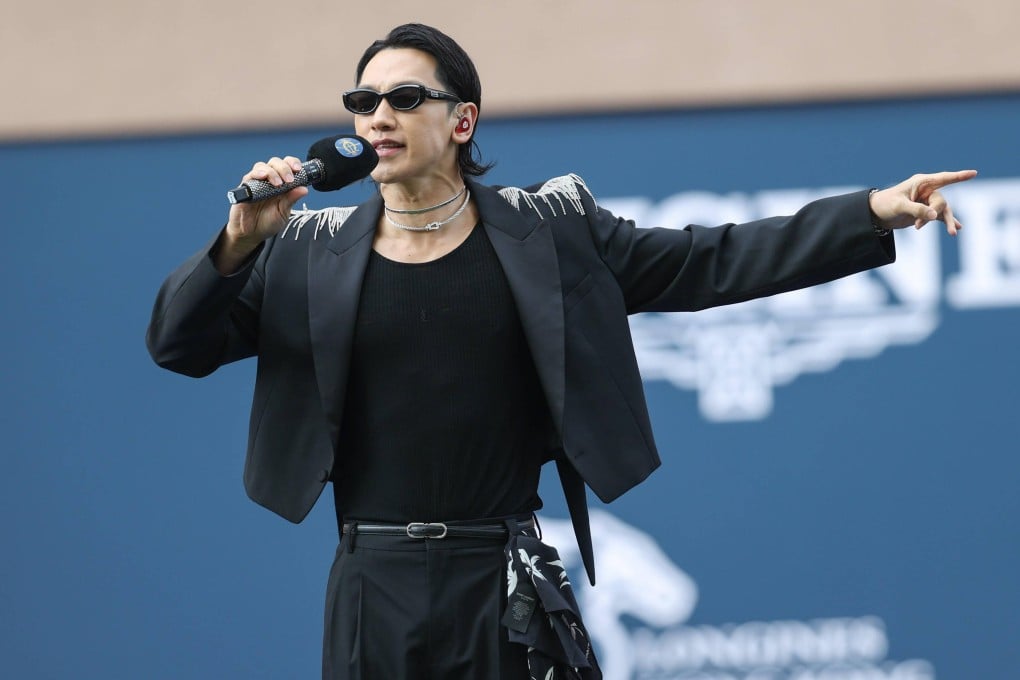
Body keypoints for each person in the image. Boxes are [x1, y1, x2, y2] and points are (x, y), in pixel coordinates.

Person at [146, 22, 976, 680]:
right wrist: (235, 242)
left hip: (502, 581)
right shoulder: (306, 249)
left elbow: (708, 259)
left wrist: (871, 210)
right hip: (370, 580)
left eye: (404, 96)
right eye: (363, 101)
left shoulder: (548, 231)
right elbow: (178, 345)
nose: (377, 118)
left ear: (461, 119)